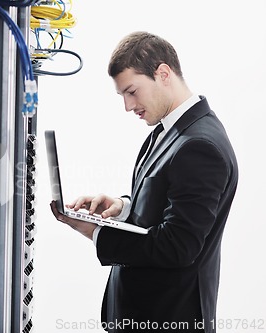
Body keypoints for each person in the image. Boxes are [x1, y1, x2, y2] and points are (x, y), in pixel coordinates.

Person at [50, 31, 238, 333]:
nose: (127, 106)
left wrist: (97, 234)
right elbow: (164, 206)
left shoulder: (200, 146)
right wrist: (122, 208)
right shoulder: (166, 132)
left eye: (132, 91)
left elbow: (178, 247)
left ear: (163, 73)